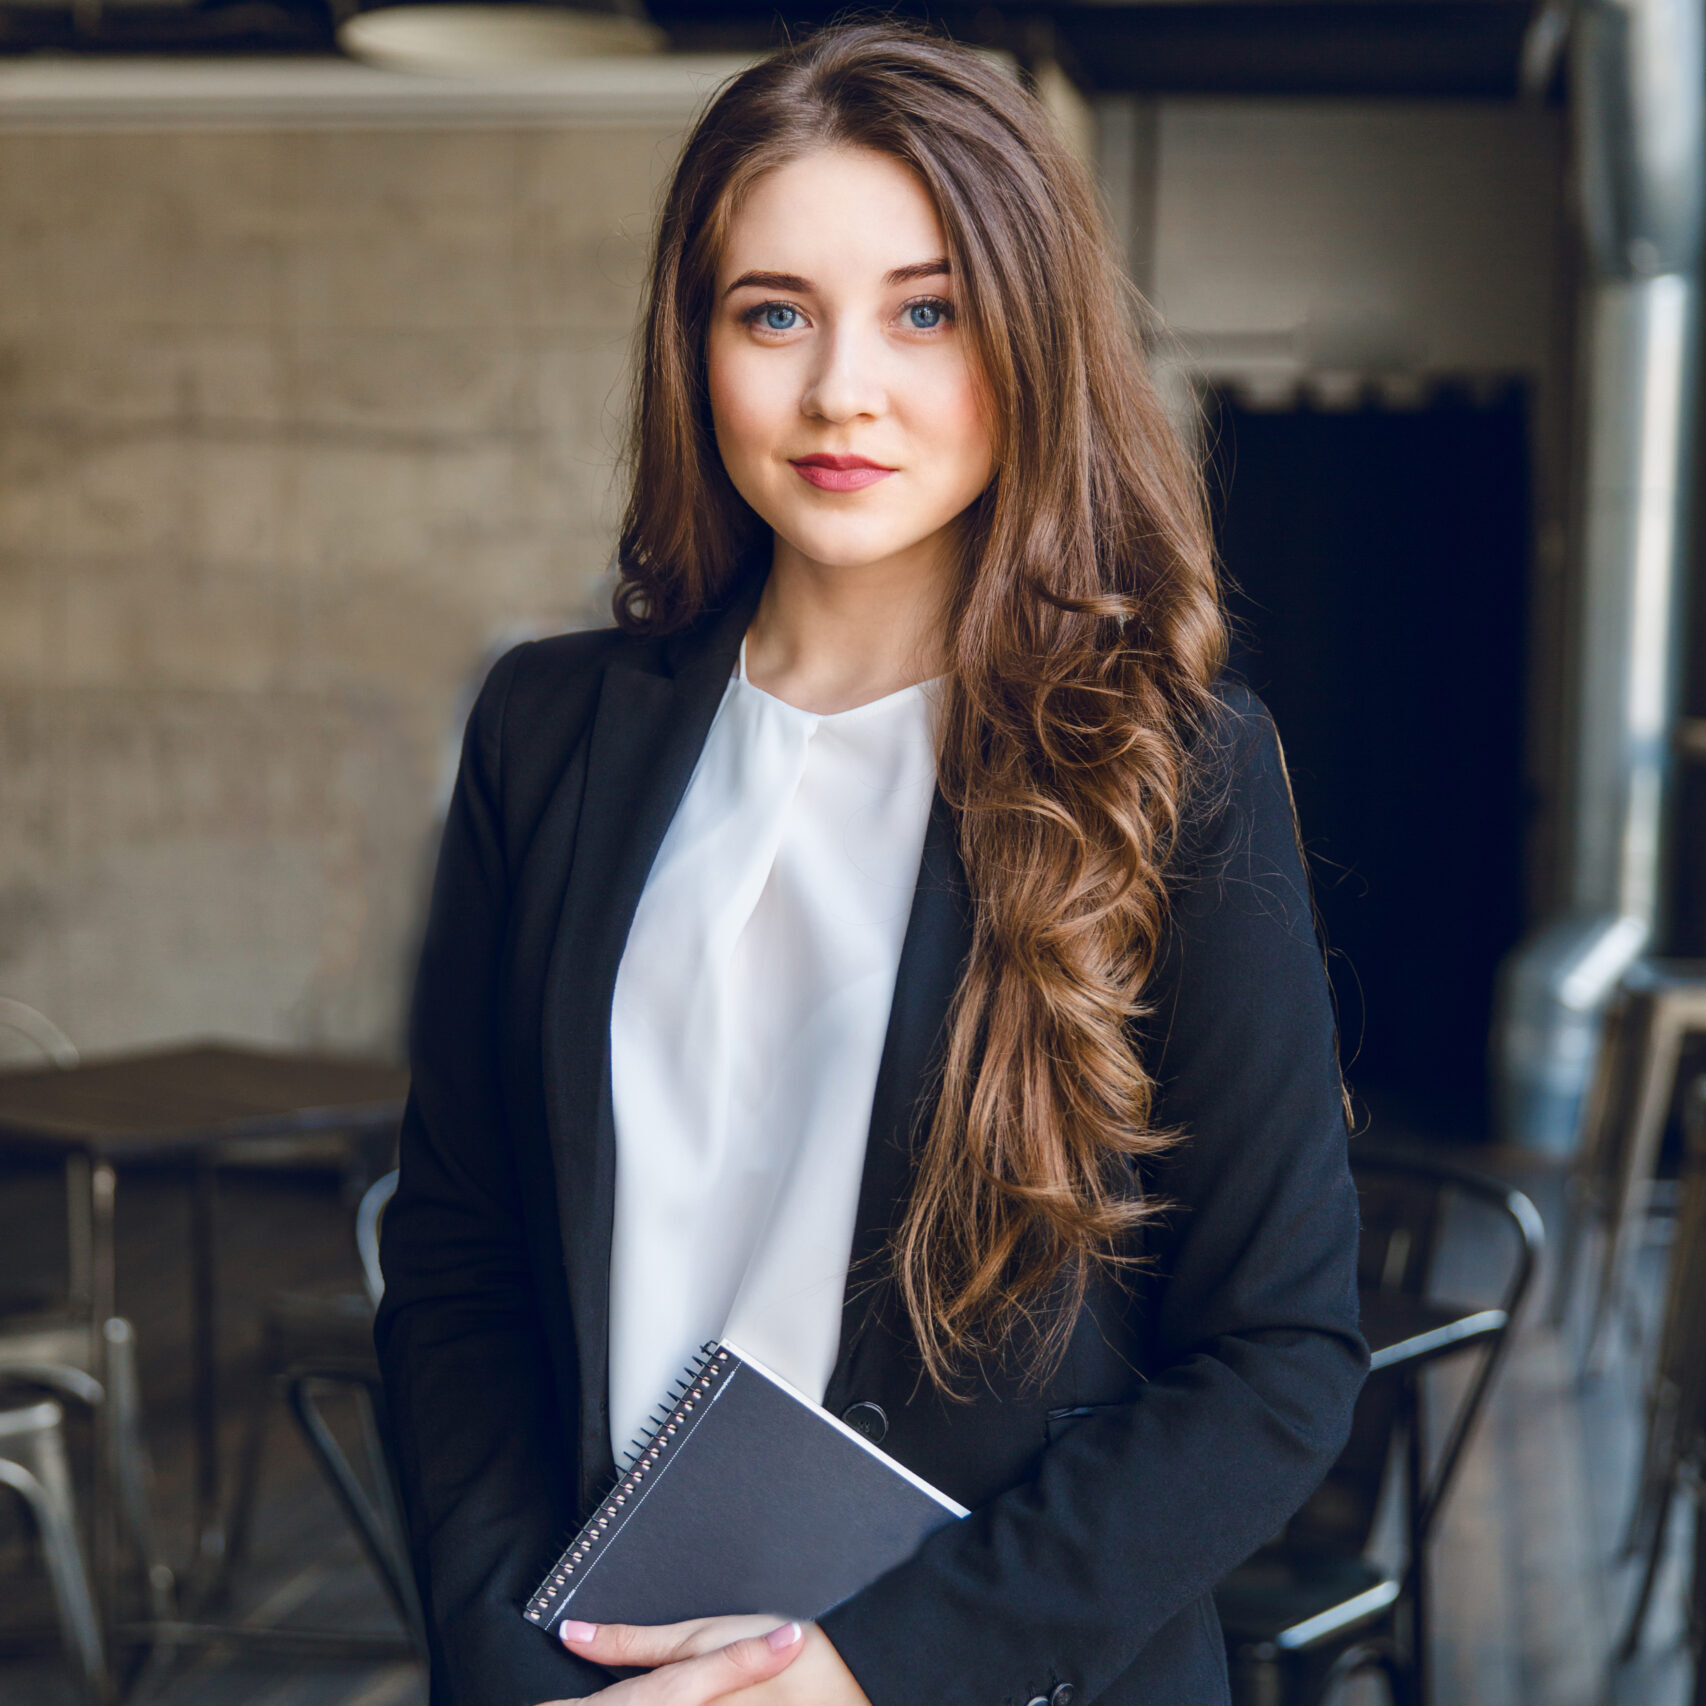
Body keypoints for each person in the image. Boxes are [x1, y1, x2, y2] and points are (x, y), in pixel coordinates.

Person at [376, 23, 1368, 1706]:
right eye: (774, 312)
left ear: (1028, 341)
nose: (844, 386)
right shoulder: (545, 733)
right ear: (695, 346)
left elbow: (1276, 1361)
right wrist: (509, 1662)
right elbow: (459, 1263)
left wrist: (861, 1671)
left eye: (927, 311)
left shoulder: (1172, 767)